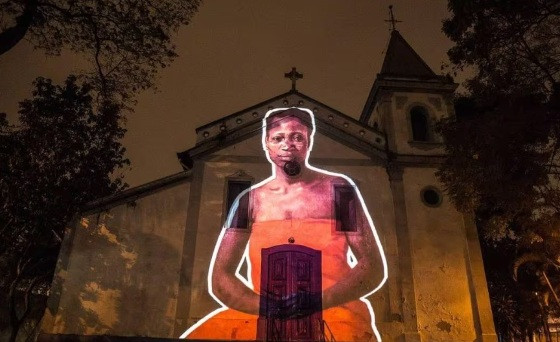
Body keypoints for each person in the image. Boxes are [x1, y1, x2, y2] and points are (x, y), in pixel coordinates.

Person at [182, 107, 387, 341]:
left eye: (297, 137)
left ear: (309, 142)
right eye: (278, 138)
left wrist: (318, 301)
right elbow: (221, 277)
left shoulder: (339, 191)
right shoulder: (248, 201)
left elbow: (372, 266)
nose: (287, 145)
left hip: (335, 313)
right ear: (266, 145)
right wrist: (265, 307)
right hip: (264, 316)